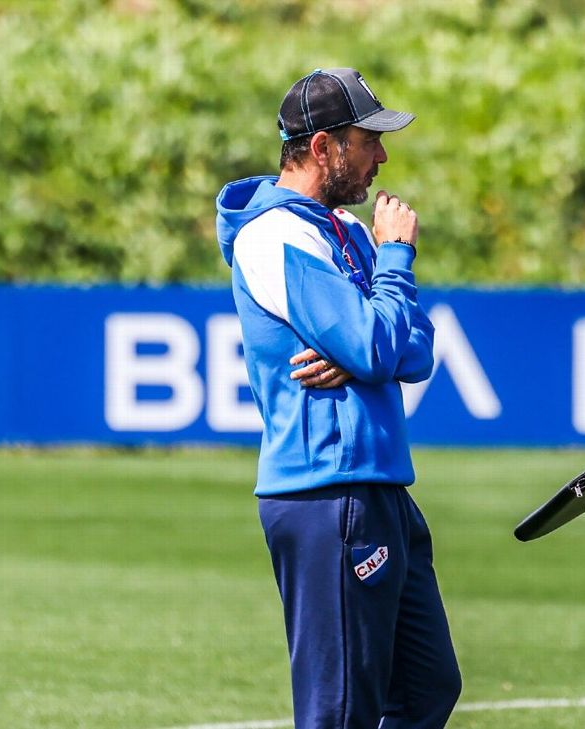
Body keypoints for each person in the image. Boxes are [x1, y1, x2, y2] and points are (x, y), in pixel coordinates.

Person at [214, 67, 460, 728]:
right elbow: (380, 348)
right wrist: (397, 261)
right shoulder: (276, 236)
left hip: (375, 488)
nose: (381, 156)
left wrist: (364, 346)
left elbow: (414, 351)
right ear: (322, 147)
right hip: (328, 492)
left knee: (426, 685)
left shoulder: (344, 231)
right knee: (340, 710)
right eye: (367, 140)